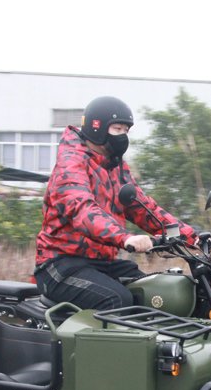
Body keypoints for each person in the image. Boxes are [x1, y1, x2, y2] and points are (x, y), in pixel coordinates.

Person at [33, 96, 196, 310]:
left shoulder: (114, 167)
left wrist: (194, 237)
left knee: (156, 291)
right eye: (118, 129)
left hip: (101, 264)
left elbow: (142, 208)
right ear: (96, 128)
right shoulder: (71, 165)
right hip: (60, 264)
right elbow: (83, 211)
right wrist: (125, 237)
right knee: (116, 299)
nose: (123, 136)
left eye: (126, 131)